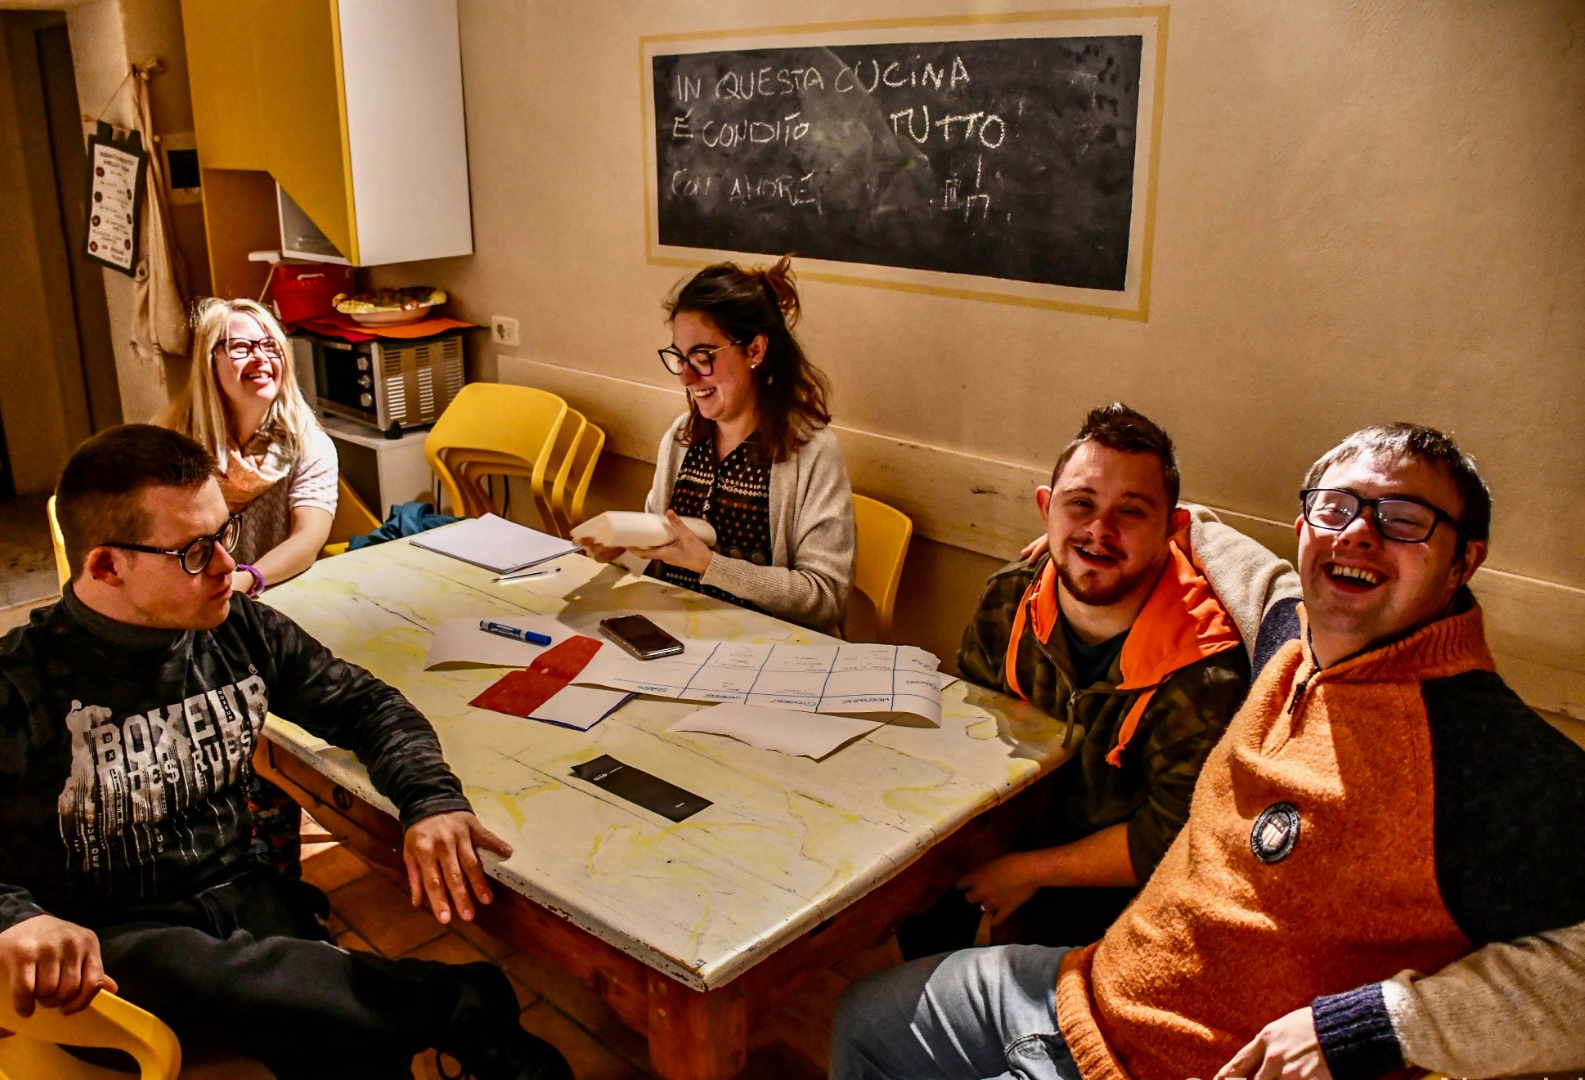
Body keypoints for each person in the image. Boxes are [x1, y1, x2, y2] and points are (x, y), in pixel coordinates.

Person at [831, 422, 1585, 1080]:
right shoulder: (1290, 638)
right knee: (861, 1020)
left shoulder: (1480, 754)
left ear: (1464, 561)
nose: (1358, 534)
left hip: (1171, 1064)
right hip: (1088, 989)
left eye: (1403, 520)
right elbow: (1239, 556)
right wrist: (1094, 537)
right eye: (1337, 508)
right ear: (1304, 524)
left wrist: (1367, 1028)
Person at [0, 425, 572, 1080]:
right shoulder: (15, 686)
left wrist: (430, 799)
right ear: (106, 565)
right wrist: (2, 918)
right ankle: (455, 1004)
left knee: (342, 1031)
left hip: (243, 903)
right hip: (106, 949)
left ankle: (425, 1009)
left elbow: (367, 705)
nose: (227, 566)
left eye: (224, 534)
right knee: (227, 978)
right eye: (192, 551)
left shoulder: (237, 627)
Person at [913, 404, 1256, 955]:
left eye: (1131, 512)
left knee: (1054, 951)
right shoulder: (1010, 597)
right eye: (1080, 504)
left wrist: (1028, 871)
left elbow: (1172, 836)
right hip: (1020, 818)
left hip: (1121, 874)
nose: (1100, 531)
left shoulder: (1205, 672)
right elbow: (972, 721)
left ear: (1172, 530)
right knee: (921, 889)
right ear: (1046, 509)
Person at [574, 257, 853, 634]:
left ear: (755, 351)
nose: (686, 378)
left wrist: (710, 565)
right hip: (681, 636)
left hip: (769, 646)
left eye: (703, 357)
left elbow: (825, 598)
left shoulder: (811, 451)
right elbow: (657, 563)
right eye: (680, 358)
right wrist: (621, 553)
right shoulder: (682, 438)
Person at [162, 297, 338, 878]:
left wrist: (246, 578)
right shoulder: (171, 445)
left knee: (265, 752)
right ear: (209, 361)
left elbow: (309, 538)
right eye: (240, 346)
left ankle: (271, 885)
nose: (260, 358)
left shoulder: (307, 441)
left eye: (270, 346)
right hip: (181, 613)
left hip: (258, 609)